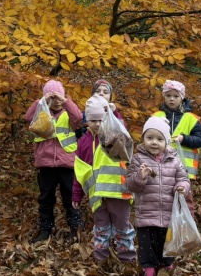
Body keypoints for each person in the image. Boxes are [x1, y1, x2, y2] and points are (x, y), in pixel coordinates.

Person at [126, 116, 191, 276]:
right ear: (143, 139)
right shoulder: (138, 159)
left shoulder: (174, 160)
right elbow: (131, 185)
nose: (154, 142)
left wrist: (182, 187)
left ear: (166, 141)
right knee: (148, 248)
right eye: (150, 138)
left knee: (167, 247)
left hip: (169, 215)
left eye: (159, 139)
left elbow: (184, 179)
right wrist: (140, 176)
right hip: (147, 215)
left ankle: (166, 272)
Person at [72, 97, 136, 265]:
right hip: (97, 195)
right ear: (86, 121)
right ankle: (101, 259)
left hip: (119, 192)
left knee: (123, 227)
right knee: (101, 228)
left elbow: (123, 132)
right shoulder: (83, 143)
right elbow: (80, 171)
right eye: (93, 120)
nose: (98, 124)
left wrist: (114, 113)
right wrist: (77, 195)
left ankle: (127, 259)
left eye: (101, 120)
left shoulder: (112, 136)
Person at [23, 80, 84, 243]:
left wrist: (65, 101)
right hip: (45, 163)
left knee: (70, 197)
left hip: (67, 163)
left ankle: (75, 228)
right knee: (46, 198)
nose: (56, 102)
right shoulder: (42, 113)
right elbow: (28, 118)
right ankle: (46, 229)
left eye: (59, 97)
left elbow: (79, 117)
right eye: (52, 98)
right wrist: (41, 101)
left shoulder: (68, 114)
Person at [152, 80, 201, 183]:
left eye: (176, 96)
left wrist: (184, 139)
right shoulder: (156, 116)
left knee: (183, 193)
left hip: (185, 169)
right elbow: (147, 139)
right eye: (168, 95)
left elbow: (199, 140)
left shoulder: (191, 118)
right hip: (160, 167)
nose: (171, 99)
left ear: (182, 97)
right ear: (164, 96)